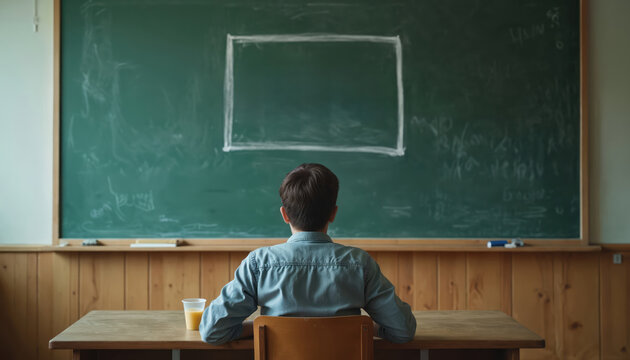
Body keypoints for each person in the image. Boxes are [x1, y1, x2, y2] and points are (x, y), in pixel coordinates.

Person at [199, 163, 416, 344]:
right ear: (333, 213)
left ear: (284, 215)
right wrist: (363, 329)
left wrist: (263, 329)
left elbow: (212, 331)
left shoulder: (259, 264)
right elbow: (403, 331)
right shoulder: (360, 264)